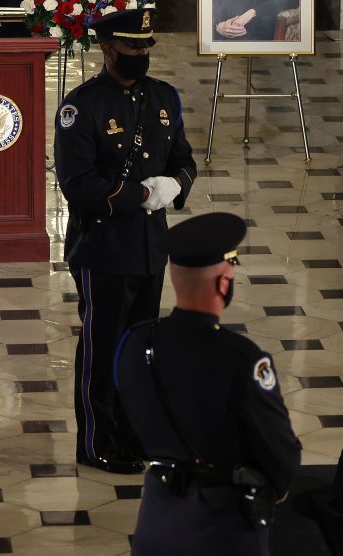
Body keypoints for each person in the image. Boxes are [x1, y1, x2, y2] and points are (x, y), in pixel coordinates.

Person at [54, 8, 198, 473]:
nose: (141, 54)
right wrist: (139, 194)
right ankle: (96, 442)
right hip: (103, 248)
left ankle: (134, 434)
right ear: (108, 48)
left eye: (145, 47)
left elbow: (184, 159)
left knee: (139, 350)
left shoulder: (164, 98)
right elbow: (77, 183)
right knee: (102, 348)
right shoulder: (82, 107)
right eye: (132, 47)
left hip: (150, 247)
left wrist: (176, 184)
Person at [115, 212, 301, 555]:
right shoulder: (242, 359)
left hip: (156, 516)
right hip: (221, 527)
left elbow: (129, 423)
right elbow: (281, 456)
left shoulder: (134, 343)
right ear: (224, 281)